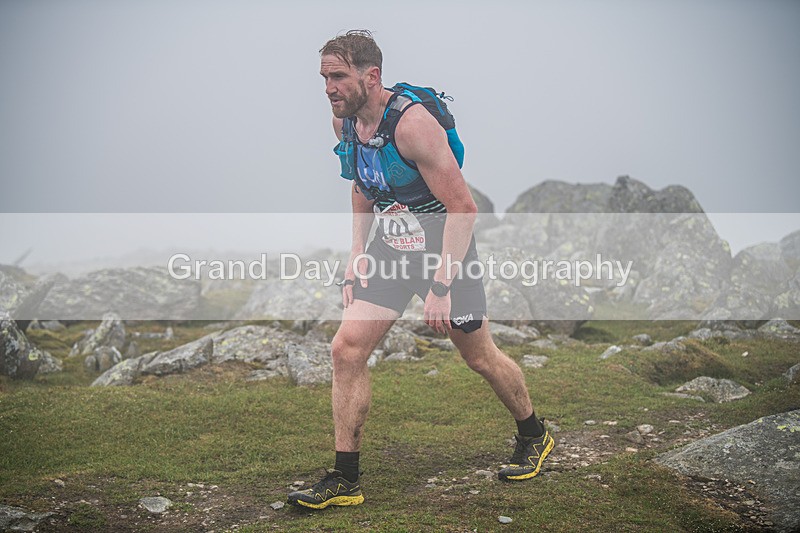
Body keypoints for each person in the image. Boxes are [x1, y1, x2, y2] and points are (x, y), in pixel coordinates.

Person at [287, 30, 554, 509]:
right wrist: (357, 255)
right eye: (325, 77)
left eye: (339, 76)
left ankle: (533, 433)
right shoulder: (344, 124)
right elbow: (362, 186)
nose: (329, 87)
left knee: (479, 357)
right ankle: (345, 478)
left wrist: (441, 285)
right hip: (391, 244)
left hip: (444, 246)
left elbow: (463, 208)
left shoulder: (413, 126)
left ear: (372, 76)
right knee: (346, 350)